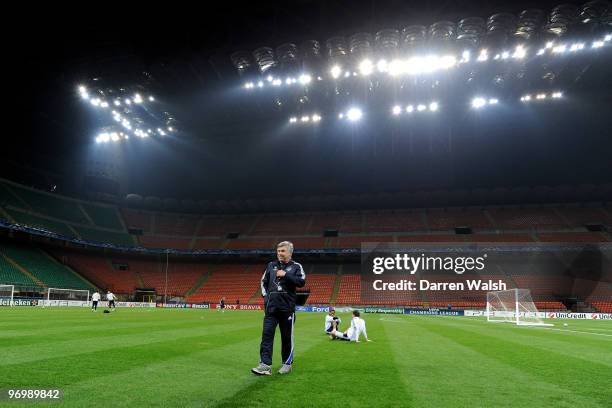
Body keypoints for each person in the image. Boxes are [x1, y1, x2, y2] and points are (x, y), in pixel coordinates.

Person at [251, 241, 306, 376]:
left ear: (290, 252)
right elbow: (263, 282)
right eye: (278, 251)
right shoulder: (271, 265)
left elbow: (301, 282)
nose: (279, 253)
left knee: (287, 338)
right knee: (266, 336)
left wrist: (286, 275)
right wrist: (265, 298)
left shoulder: (296, 266)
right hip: (271, 309)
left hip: (287, 309)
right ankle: (265, 365)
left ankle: (287, 364)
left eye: (282, 251)